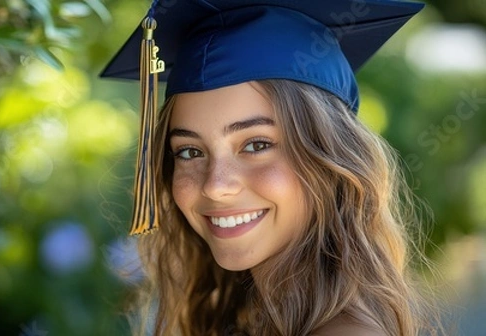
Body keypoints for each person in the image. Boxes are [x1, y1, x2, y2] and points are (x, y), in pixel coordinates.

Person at [101, 0, 442, 335]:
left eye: (257, 145)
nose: (215, 186)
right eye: (190, 151)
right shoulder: (260, 318)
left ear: (332, 159)